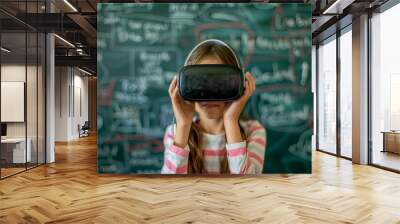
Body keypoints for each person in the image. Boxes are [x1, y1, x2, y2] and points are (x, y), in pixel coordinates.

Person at [161, 39, 266, 174]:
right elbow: (169, 190)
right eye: (200, 82)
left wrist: (230, 119)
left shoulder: (253, 131)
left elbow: (247, 187)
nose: (210, 94)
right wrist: (183, 125)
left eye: (220, 83)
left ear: (241, 84)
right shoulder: (175, 132)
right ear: (184, 85)